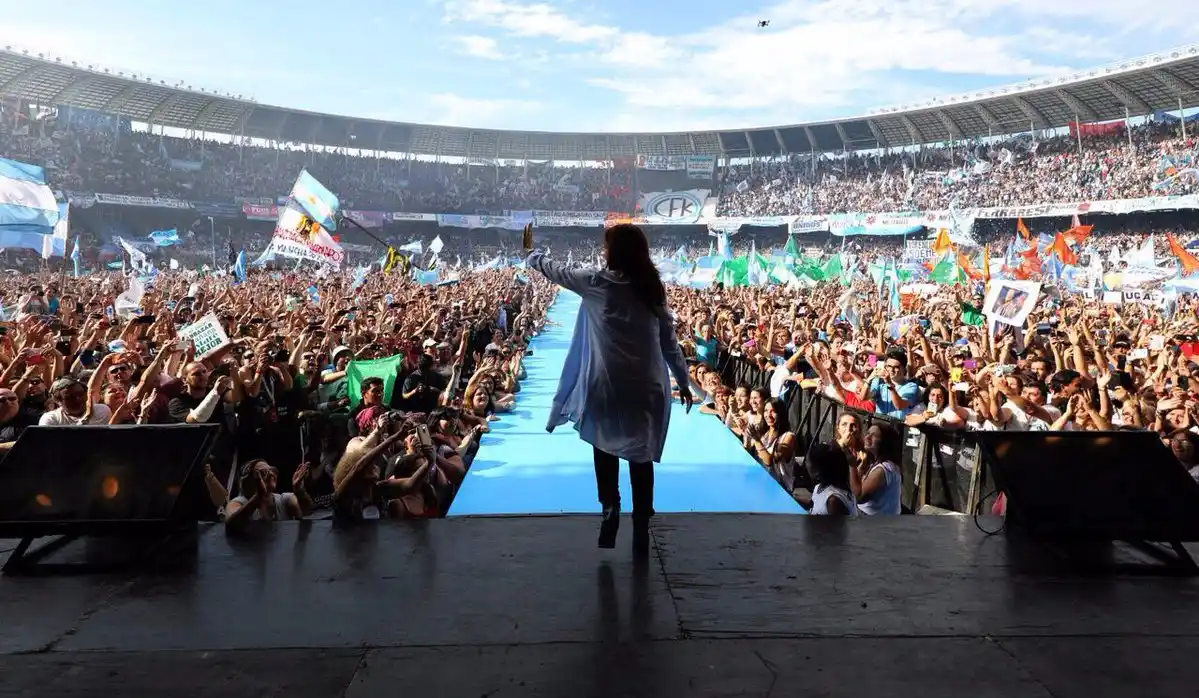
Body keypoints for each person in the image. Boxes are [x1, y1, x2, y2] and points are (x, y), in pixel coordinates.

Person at [523, 222, 693, 556]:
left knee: (603, 441)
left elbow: (555, 270)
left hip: (607, 384)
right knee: (640, 454)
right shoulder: (652, 289)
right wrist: (684, 381)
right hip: (646, 386)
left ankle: (609, 505)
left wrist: (532, 254)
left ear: (614, 252)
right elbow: (669, 343)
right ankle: (642, 519)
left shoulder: (597, 282)